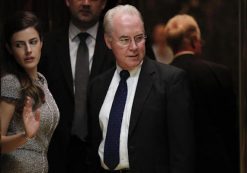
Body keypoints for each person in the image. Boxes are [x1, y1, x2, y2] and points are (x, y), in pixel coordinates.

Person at [87, 4, 194, 173]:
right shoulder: (98, 86)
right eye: (124, 40)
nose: (134, 47)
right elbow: (94, 143)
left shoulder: (170, 81)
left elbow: (181, 153)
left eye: (139, 38)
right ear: (108, 41)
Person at [38, 0, 116, 173]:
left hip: (106, 154)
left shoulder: (117, 46)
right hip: (57, 156)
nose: (86, 3)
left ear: (103, 3)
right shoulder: (46, 46)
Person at [164, 14, 239, 173]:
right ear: (193, 41)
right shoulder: (219, 73)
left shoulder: (160, 79)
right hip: (216, 165)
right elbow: (231, 129)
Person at [0, 11, 59, 173]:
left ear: (41, 42)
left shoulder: (41, 80)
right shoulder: (11, 82)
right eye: (19, 44)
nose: (28, 50)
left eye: (33, 42)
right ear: (9, 49)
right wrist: (25, 136)